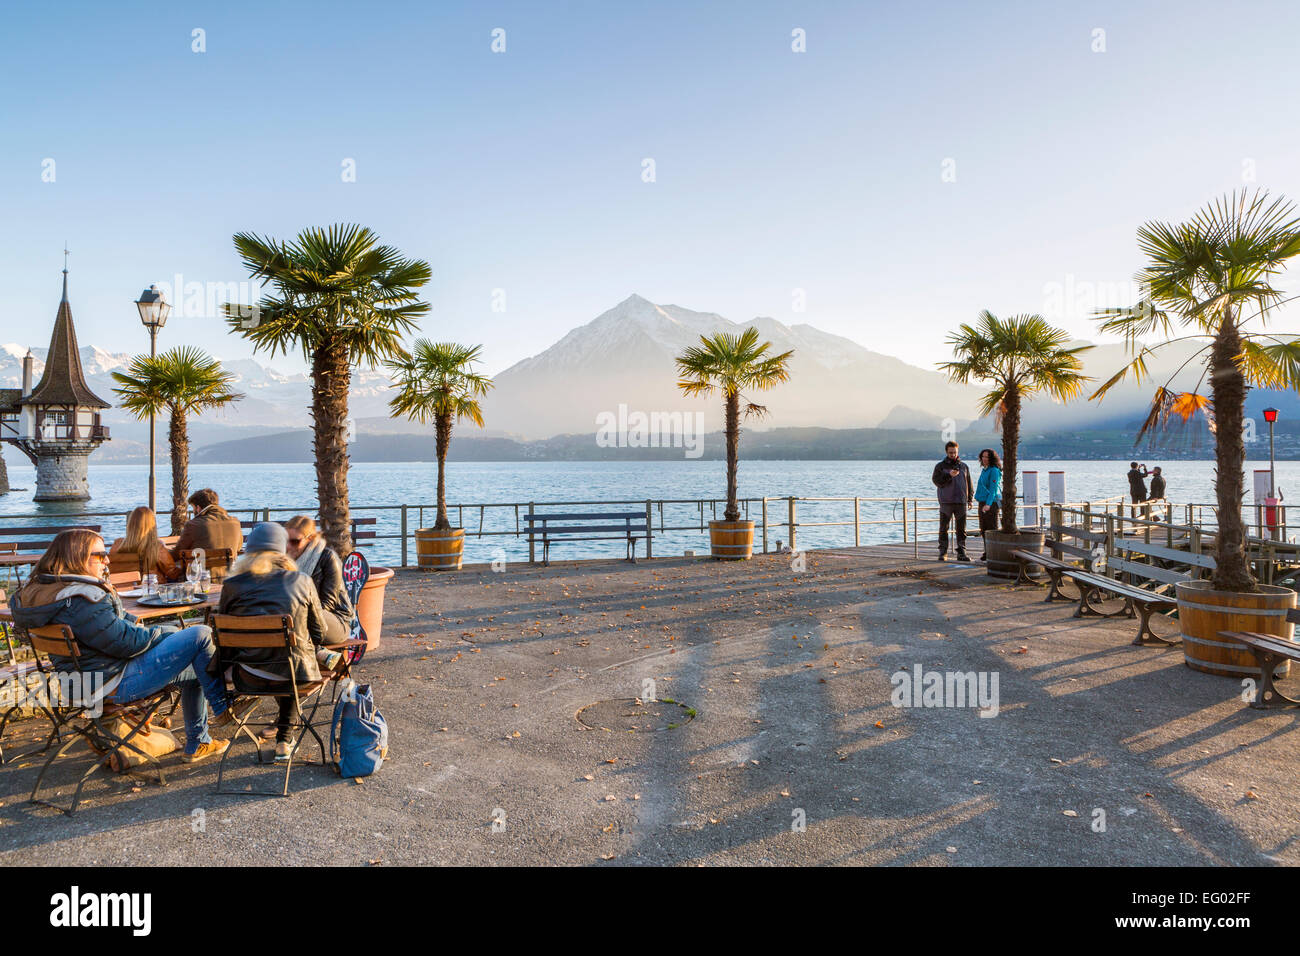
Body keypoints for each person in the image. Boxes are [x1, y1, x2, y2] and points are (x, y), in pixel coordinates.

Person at [9, 529, 237, 763]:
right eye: (99, 555)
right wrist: (161, 634)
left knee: (195, 661)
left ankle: (200, 742)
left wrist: (163, 634)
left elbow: (108, 631)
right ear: (77, 557)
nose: (107, 560)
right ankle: (223, 705)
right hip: (111, 683)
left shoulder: (48, 593)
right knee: (201, 633)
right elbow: (125, 643)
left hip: (78, 683)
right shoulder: (80, 600)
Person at [216, 522, 346, 761]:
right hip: (295, 675)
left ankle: (284, 737)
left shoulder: (231, 586)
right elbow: (319, 632)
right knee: (290, 663)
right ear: (281, 551)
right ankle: (284, 740)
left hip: (247, 676)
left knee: (280, 661)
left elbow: (223, 638)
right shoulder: (302, 580)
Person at [284, 515, 353, 644]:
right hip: (297, 619)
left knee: (293, 612)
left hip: (333, 620)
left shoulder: (328, 558)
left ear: (310, 539)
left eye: (294, 541)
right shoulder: (284, 560)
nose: (288, 546)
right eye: (285, 540)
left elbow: (329, 604)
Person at [174, 488, 243, 581]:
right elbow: (238, 548)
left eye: (193, 508)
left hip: (199, 580)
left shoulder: (193, 525)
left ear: (198, 508)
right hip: (228, 579)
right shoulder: (235, 522)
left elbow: (177, 554)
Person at [110, 506, 180, 582]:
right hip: (150, 588)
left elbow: (110, 567)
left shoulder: (117, 544)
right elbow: (172, 573)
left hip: (123, 589)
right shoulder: (156, 547)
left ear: (130, 524)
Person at [932, 440, 973, 562]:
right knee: (943, 528)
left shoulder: (964, 466)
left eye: (954, 452)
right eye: (950, 452)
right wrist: (949, 475)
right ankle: (943, 552)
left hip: (961, 502)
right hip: (946, 502)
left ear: (958, 451)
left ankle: (962, 553)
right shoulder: (940, 466)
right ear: (946, 452)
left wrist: (970, 499)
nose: (952, 455)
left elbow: (969, 484)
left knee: (961, 529)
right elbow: (937, 482)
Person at [974, 448, 1003, 562]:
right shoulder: (984, 470)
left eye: (987, 457)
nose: (985, 459)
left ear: (991, 458)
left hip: (991, 503)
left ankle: (994, 553)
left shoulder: (994, 470)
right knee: (983, 529)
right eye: (983, 457)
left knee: (992, 529)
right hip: (982, 502)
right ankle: (987, 551)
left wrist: (988, 504)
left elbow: (993, 489)